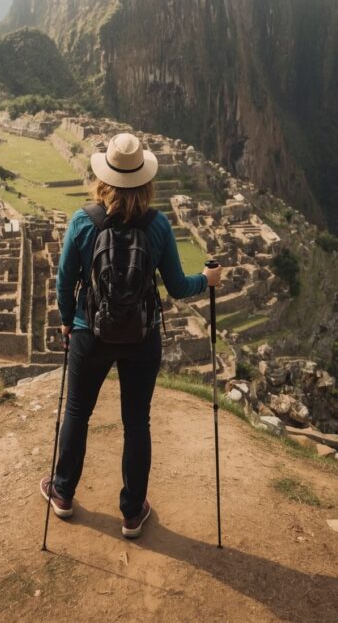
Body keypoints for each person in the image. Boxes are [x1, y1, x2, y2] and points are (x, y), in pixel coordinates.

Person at [40, 131, 221, 538]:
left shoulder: (83, 221)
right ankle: (132, 512)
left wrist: (69, 320)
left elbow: (64, 281)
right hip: (142, 337)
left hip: (91, 334)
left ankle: (63, 493)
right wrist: (206, 280)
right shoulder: (157, 226)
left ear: (104, 178)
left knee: (76, 412)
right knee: (137, 421)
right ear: (145, 180)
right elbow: (176, 286)